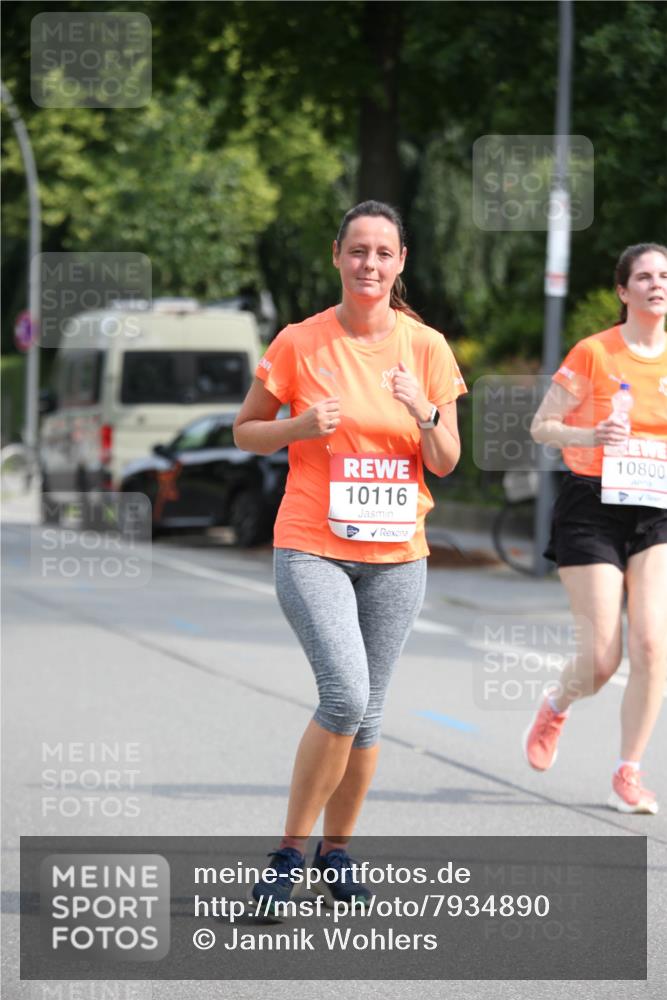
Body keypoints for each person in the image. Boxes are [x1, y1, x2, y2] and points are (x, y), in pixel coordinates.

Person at [233, 200, 466, 912]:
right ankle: (286, 856)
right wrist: (296, 425)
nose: (369, 264)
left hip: (398, 554)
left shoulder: (425, 349)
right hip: (313, 545)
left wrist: (422, 413)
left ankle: (338, 854)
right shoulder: (301, 341)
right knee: (345, 695)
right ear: (336, 255)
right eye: (357, 250)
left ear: (400, 264)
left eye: (383, 253)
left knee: (369, 714)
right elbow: (245, 431)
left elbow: (448, 460)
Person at [525, 243, 667, 814]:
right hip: (593, 506)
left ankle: (628, 771)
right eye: (646, 276)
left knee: (654, 645)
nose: (658, 283)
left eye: (666, 275)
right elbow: (541, 427)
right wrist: (592, 438)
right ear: (623, 290)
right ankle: (557, 703)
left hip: (656, 506)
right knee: (604, 659)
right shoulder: (594, 353)